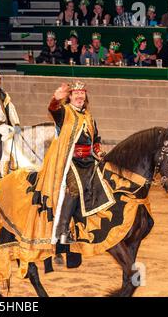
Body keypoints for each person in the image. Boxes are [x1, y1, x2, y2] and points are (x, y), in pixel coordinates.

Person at [48, 81, 105, 243]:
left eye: (82, 93)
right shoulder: (64, 112)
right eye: (76, 93)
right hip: (70, 161)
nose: (80, 96)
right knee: (74, 188)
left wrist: (99, 152)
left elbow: (96, 139)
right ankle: (63, 230)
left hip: (89, 160)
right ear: (70, 97)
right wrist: (55, 99)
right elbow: (53, 110)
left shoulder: (89, 116)